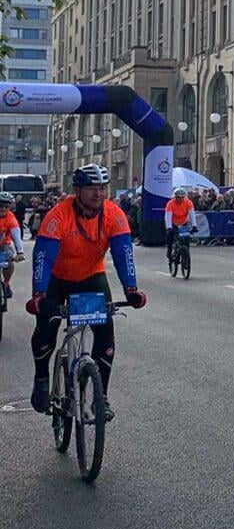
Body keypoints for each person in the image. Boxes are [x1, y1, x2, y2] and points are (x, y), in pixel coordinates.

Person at [26, 164, 147, 420]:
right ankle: (41, 378)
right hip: (57, 279)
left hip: (92, 276)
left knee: (106, 330)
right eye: (92, 188)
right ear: (77, 190)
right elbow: (43, 257)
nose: (98, 194)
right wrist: (39, 294)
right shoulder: (58, 216)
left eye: (103, 188)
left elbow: (124, 254)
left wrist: (131, 289)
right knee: (48, 323)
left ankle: (100, 397)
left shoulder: (114, 215)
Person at [0, 191, 24, 304]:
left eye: (6, 206)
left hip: (4, 245)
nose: (3, 208)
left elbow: (16, 236)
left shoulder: (11, 218)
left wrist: (20, 252)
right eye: (0, 205)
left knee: (9, 260)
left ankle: (6, 283)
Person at [164, 186, 197, 263]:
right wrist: (169, 227)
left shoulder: (188, 203)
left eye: (182, 197)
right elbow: (168, 216)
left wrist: (194, 225)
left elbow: (192, 215)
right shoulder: (170, 204)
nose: (180, 199)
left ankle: (186, 257)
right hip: (173, 223)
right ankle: (169, 251)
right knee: (171, 236)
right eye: (178, 197)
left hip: (184, 222)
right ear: (175, 197)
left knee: (186, 240)